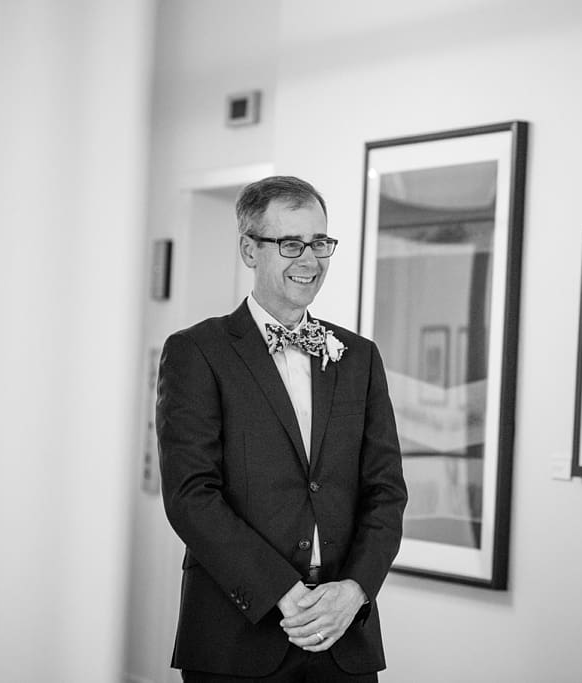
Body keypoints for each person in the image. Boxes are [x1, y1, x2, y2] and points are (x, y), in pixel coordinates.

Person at [157, 175, 408, 682]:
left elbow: (386, 491)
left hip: (344, 639)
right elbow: (191, 496)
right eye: (290, 243)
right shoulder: (197, 352)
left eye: (319, 242)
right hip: (237, 637)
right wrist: (284, 594)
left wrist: (355, 591)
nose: (310, 260)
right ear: (249, 250)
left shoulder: (359, 358)